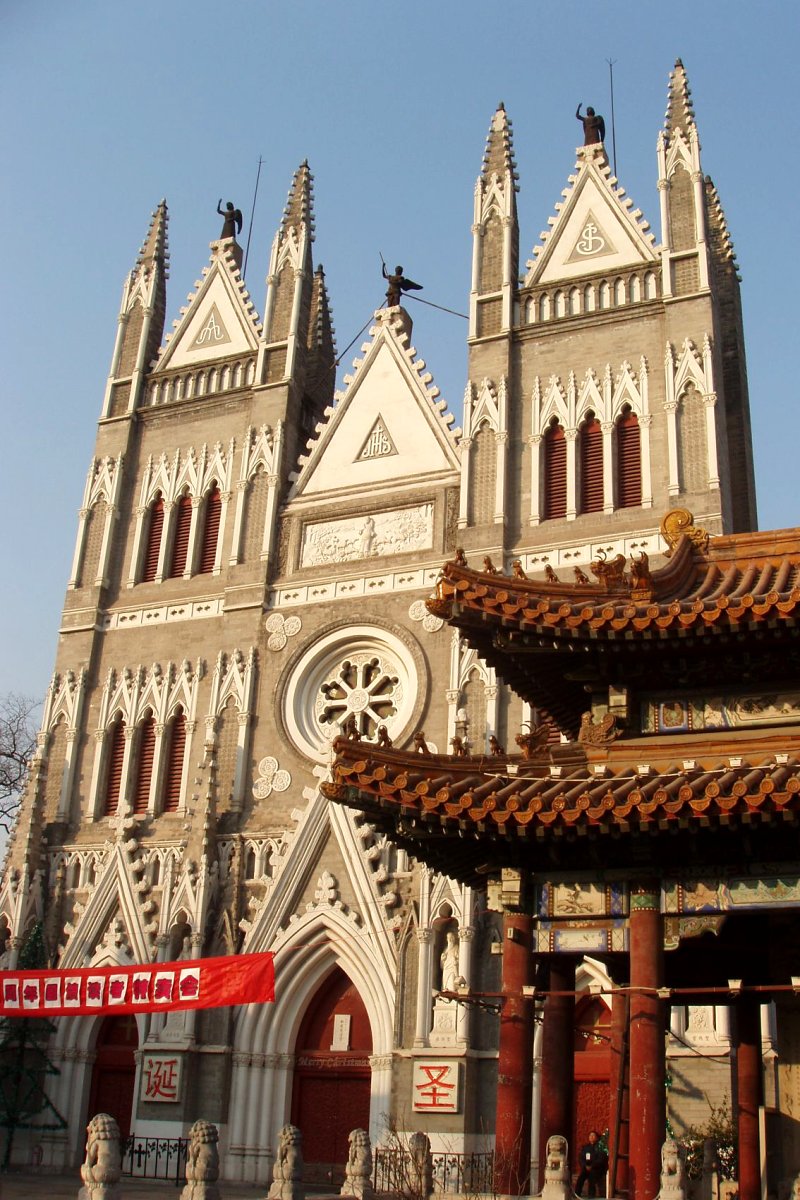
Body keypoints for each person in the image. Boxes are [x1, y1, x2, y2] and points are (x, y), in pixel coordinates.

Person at [575, 1131, 607, 1198]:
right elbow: (581, 1158)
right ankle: (577, 1194)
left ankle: (591, 1195)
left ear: (597, 1138)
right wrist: (585, 1165)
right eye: (590, 1136)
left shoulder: (600, 1148)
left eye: (593, 1136)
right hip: (586, 1168)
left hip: (596, 1169)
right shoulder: (586, 1148)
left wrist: (592, 1166)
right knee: (581, 1177)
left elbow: (601, 1160)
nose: (591, 1137)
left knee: (592, 1177)